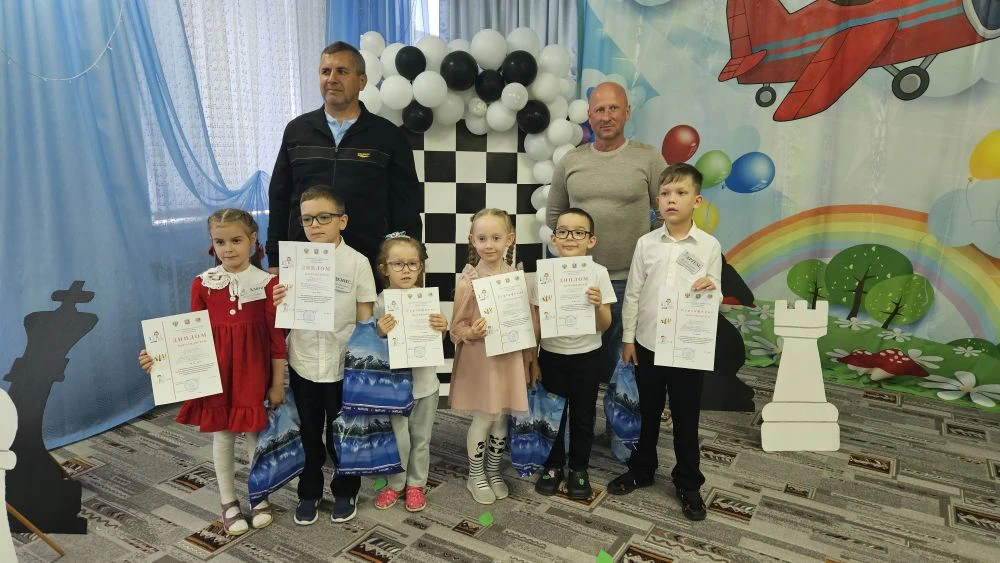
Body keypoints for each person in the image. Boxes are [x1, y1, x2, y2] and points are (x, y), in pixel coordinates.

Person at [139, 209, 286, 535]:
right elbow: (190, 335)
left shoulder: (267, 284)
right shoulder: (202, 284)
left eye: (236, 240)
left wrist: (277, 383)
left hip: (252, 374)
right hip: (216, 373)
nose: (228, 249)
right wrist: (160, 359)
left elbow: (277, 340)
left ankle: (258, 495)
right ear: (212, 243)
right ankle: (228, 501)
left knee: (254, 434)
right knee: (223, 435)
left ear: (252, 239)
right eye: (220, 242)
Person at [607, 163, 721, 522]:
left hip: (686, 348)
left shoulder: (708, 246)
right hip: (648, 342)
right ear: (657, 200)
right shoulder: (646, 243)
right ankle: (642, 469)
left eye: (681, 193)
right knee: (649, 410)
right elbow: (633, 294)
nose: (672, 200)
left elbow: (716, 295)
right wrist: (628, 339)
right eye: (665, 194)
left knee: (686, 416)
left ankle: (688, 482)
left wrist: (711, 288)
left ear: (696, 201)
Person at [266, 41, 422, 282]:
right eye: (325, 71)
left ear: (362, 81)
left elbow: (405, 205)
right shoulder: (297, 131)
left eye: (341, 71)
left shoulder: (389, 136)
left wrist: (407, 261)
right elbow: (279, 197)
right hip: (305, 261)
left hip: (368, 259)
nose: (331, 79)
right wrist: (275, 258)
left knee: (366, 311)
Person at [546, 81, 666, 383]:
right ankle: (581, 417)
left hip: (631, 279)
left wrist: (649, 247)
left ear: (627, 112)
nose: (606, 116)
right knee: (579, 359)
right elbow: (554, 216)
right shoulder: (571, 161)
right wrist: (576, 249)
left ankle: (618, 417)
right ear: (589, 115)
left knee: (623, 363)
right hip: (579, 280)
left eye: (614, 108)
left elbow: (667, 212)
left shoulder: (649, 158)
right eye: (599, 109)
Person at [272, 186, 377, 525]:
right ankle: (309, 489)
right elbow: (281, 318)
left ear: (342, 221)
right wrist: (278, 300)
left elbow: (365, 319)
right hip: (303, 359)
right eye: (307, 219)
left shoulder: (358, 263)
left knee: (342, 430)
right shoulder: (293, 262)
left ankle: (346, 488)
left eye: (323, 217)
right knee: (307, 429)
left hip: (342, 363)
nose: (314, 225)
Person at [449, 208, 540, 505]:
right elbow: (455, 329)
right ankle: (475, 474)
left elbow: (527, 324)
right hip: (482, 359)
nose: (489, 245)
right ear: (472, 240)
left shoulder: (516, 277)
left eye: (496, 238)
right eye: (482, 238)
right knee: (485, 416)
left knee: (502, 416)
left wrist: (530, 359)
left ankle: (493, 469)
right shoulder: (468, 280)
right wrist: (472, 331)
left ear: (509, 239)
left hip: (510, 359)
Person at [529, 208, 615, 499]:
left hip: (587, 355)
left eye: (578, 232)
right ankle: (553, 465)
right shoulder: (544, 274)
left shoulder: (598, 273)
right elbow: (537, 323)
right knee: (552, 414)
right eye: (563, 231)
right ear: (553, 238)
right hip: (552, 355)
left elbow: (604, 324)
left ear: (591, 240)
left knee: (583, 415)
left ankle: (579, 468)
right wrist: (533, 359)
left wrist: (599, 305)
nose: (570, 238)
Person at [370, 233, 448, 512]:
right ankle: (396, 483)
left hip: (425, 386)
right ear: (384, 268)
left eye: (412, 264)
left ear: (420, 267)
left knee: (421, 440)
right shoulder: (380, 302)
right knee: (398, 440)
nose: (406, 270)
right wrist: (379, 331)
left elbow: (436, 341)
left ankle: (416, 483)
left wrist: (442, 328)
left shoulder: (427, 300)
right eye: (398, 264)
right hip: (394, 389)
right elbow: (372, 346)